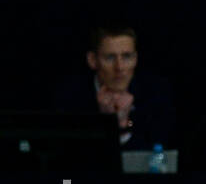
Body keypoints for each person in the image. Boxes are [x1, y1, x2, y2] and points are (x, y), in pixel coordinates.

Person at [53, 24, 176, 152]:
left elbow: (156, 157)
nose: (120, 68)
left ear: (136, 58)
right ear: (92, 60)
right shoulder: (71, 97)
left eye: (127, 56)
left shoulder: (156, 94)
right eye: (110, 57)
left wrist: (123, 125)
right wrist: (104, 121)